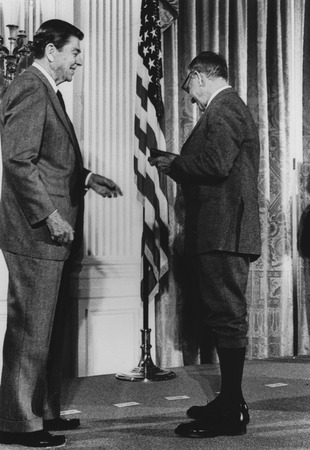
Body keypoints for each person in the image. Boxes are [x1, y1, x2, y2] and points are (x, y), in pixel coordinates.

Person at [0, 19, 122, 448]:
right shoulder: (32, 88)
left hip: (50, 235)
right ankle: (18, 422)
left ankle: (42, 412)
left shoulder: (46, 90)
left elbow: (49, 159)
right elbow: (18, 160)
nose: (79, 61)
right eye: (74, 53)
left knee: (43, 328)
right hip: (36, 233)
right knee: (30, 329)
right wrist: (51, 215)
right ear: (51, 52)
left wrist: (86, 178)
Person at [149, 51, 261, 438]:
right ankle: (232, 401)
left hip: (225, 232)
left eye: (190, 90)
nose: (192, 100)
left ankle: (231, 413)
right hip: (222, 230)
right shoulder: (226, 108)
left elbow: (215, 165)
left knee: (228, 318)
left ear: (198, 77)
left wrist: (174, 164)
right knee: (222, 316)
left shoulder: (224, 107)